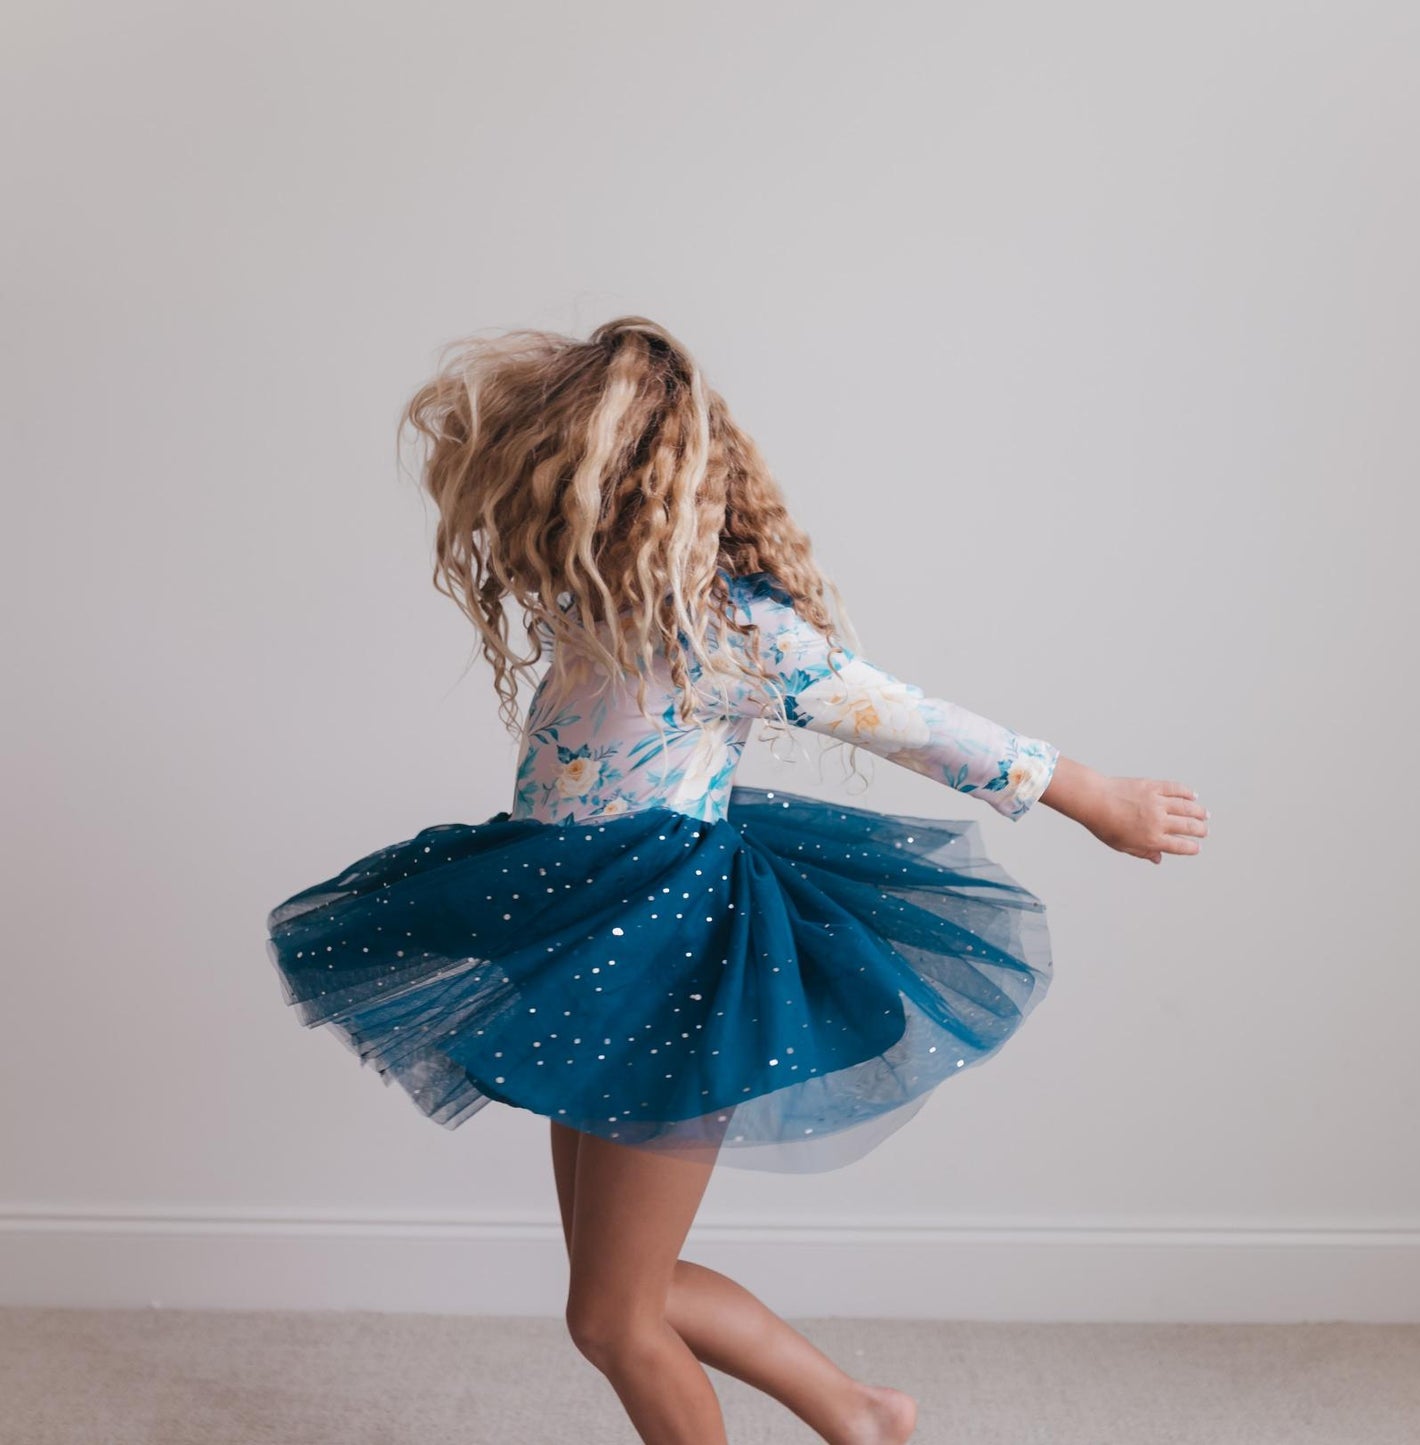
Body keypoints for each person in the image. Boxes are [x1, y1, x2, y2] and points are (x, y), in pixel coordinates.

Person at [265, 315, 1208, 1444]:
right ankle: (858, 1409)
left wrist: (1091, 792)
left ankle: (857, 1410)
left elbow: (910, 720)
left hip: (671, 958)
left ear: (640, 489)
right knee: (620, 1298)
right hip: (589, 945)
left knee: (614, 1317)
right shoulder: (586, 603)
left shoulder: (732, 631)